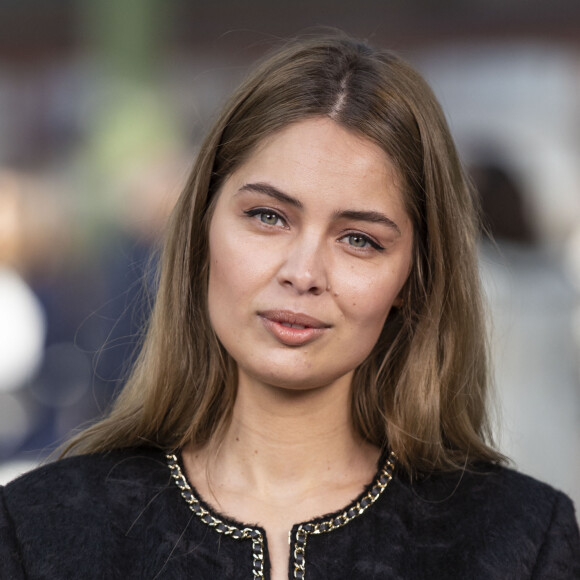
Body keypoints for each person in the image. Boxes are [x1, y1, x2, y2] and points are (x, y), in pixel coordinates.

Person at [1, 33, 579, 580]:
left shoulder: (518, 540)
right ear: (200, 232)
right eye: (268, 217)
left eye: (360, 239)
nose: (303, 274)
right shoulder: (40, 529)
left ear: (414, 278)